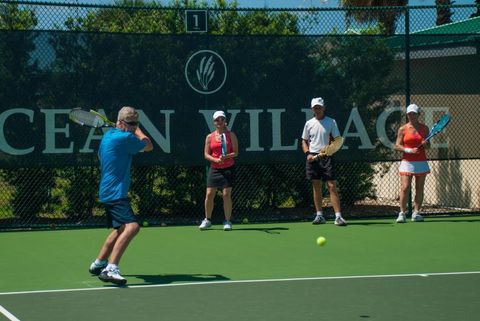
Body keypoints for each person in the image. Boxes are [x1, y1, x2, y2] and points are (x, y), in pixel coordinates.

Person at [88, 106, 153, 285]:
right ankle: (111, 268)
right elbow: (149, 146)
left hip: (107, 191)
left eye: (136, 123)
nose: (134, 126)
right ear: (121, 123)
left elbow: (102, 157)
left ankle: (98, 263)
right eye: (131, 123)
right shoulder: (125, 137)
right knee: (132, 227)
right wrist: (139, 131)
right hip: (115, 192)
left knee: (120, 230)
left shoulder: (108, 136)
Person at [301, 97, 347, 226]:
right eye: (315, 107)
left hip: (327, 156)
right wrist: (308, 153)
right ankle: (319, 215)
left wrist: (328, 150)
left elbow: (337, 140)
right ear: (312, 109)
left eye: (319, 107)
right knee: (316, 185)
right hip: (313, 157)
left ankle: (338, 217)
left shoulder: (331, 122)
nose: (318, 109)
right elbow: (304, 141)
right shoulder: (309, 124)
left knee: (331, 185)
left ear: (323, 108)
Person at [199, 110, 238, 231]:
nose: (219, 122)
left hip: (228, 168)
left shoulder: (231, 135)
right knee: (210, 194)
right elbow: (206, 154)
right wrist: (216, 160)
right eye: (217, 120)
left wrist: (225, 157)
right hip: (215, 168)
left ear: (225, 121)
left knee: (226, 195)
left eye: (221, 119)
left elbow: (235, 152)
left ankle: (227, 221)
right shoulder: (209, 137)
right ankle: (207, 220)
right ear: (214, 122)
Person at [394, 103, 430, 223]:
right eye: (410, 113)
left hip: (421, 161)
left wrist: (426, 144)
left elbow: (428, 146)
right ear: (407, 115)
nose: (412, 115)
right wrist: (408, 150)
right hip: (407, 162)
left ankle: (416, 213)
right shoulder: (402, 129)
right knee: (405, 187)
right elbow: (397, 146)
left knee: (419, 188)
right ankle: (402, 213)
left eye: (414, 113)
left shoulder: (425, 128)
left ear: (418, 114)